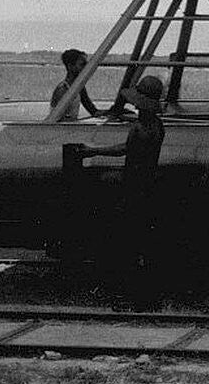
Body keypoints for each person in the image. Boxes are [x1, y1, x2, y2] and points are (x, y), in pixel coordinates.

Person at [72, 74, 167, 308]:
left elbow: (123, 150)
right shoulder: (158, 125)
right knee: (142, 240)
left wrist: (93, 151)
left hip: (133, 188)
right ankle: (146, 292)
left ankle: (133, 294)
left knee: (127, 240)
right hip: (148, 185)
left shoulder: (139, 129)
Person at [50, 49, 105, 121]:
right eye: (82, 64)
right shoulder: (62, 89)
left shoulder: (80, 87)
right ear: (70, 66)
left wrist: (113, 112)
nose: (85, 68)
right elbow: (58, 119)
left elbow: (93, 111)